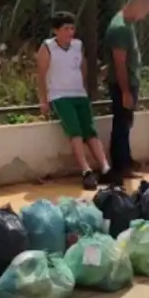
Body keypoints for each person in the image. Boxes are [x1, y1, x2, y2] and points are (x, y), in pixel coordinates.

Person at [36, 12, 110, 190]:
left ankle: (106, 168)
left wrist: (84, 89)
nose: (70, 32)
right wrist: (43, 100)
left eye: (72, 28)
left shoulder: (78, 45)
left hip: (79, 94)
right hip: (60, 96)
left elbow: (82, 68)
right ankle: (86, 170)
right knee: (75, 131)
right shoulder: (47, 47)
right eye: (65, 28)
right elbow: (41, 75)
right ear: (56, 30)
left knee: (90, 131)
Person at [104, 0, 149, 181]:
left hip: (127, 82)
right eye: (145, 12)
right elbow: (120, 62)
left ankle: (126, 159)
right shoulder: (121, 28)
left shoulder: (124, 23)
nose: (144, 17)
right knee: (122, 124)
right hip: (122, 84)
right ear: (137, 6)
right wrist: (125, 91)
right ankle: (121, 165)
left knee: (126, 122)